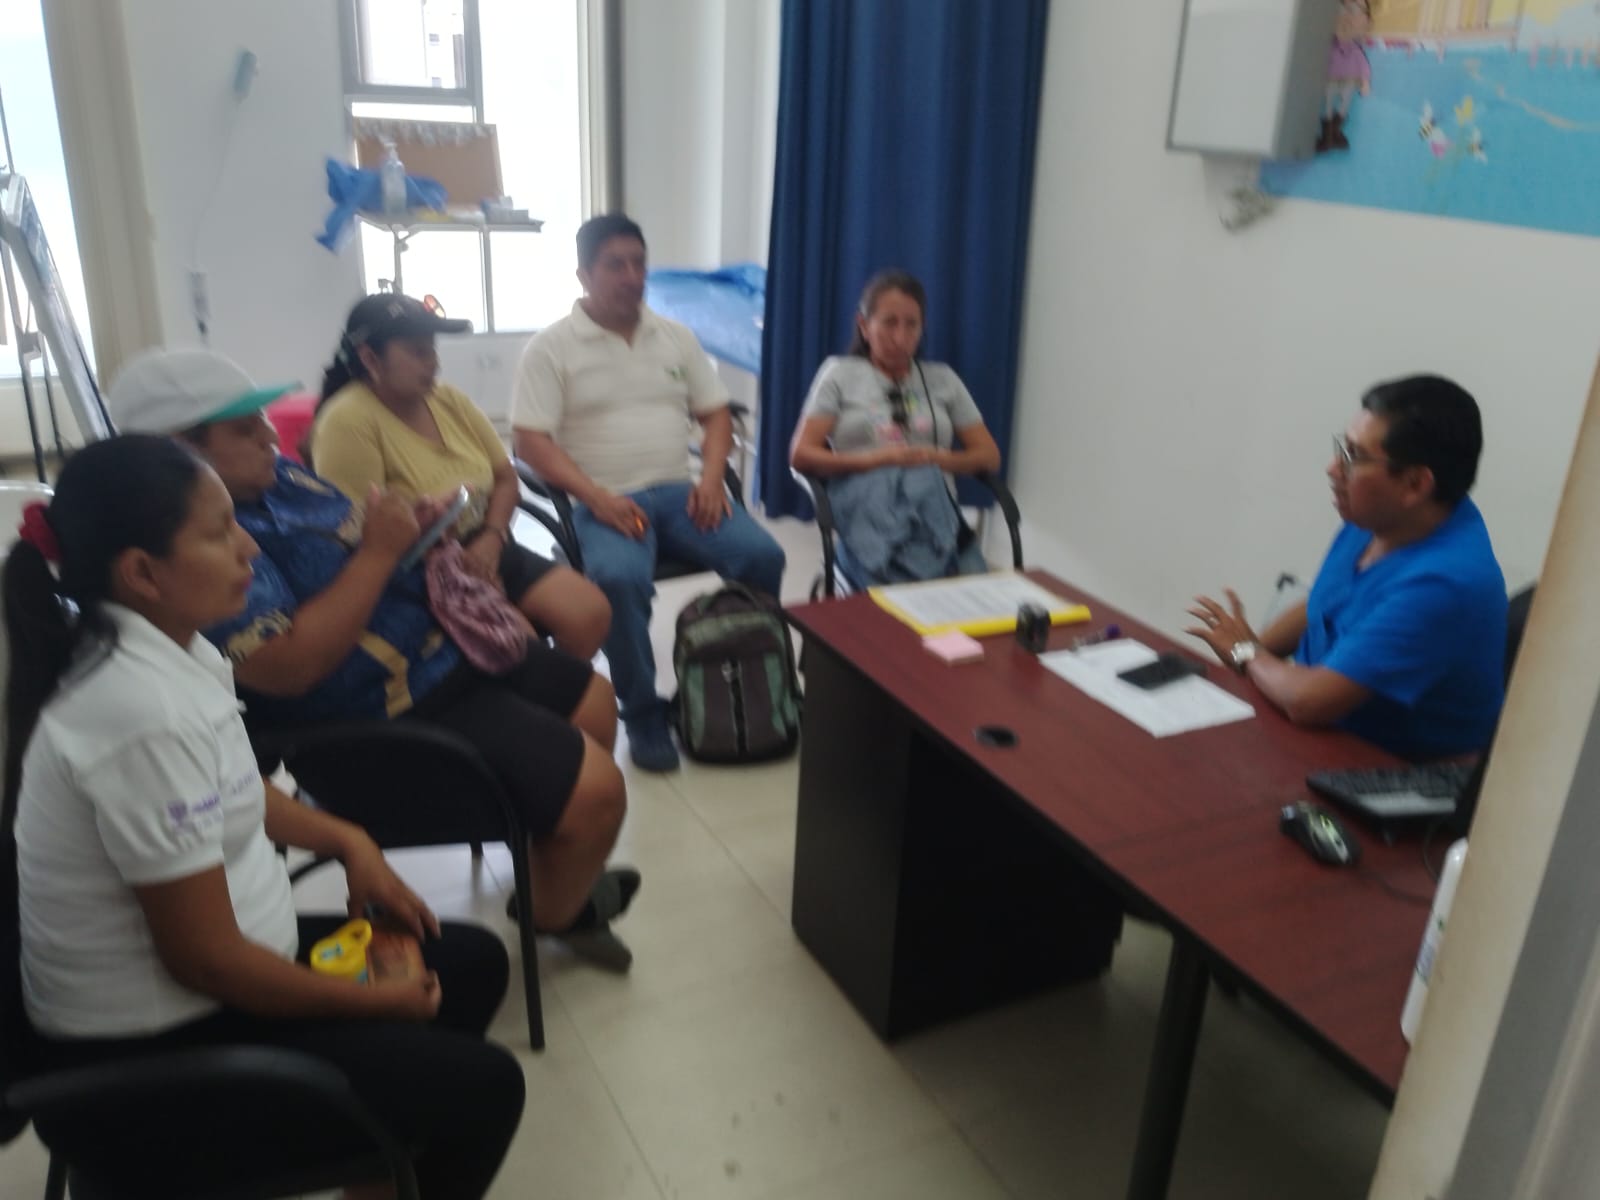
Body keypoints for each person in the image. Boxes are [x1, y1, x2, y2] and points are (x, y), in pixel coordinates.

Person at [6, 435, 525, 1197]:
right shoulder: (138, 714)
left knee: (469, 965)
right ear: (142, 572)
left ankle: (378, 1159)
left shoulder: (173, 649)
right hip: (158, 1059)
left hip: (210, 989)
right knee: (486, 1090)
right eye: (220, 532)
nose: (249, 546)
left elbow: (235, 788)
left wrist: (349, 840)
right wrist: (366, 1001)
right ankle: (377, 1140)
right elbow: (206, 961)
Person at [107, 348, 639, 968]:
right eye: (245, 430)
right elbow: (287, 665)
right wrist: (382, 553)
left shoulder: (283, 480)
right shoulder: (202, 544)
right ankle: (555, 912)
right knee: (599, 793)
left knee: (595, 700)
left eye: (264, 420)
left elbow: (357, 540)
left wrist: (413, 529)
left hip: (438, 653)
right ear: (179, 450)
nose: (271, 436)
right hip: (380, 711)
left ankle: (551, 853)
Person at [512, 213, 787, 772]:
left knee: (763, 555)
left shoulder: (675, 337)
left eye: (639, 263)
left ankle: (752, 674)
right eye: (616, 265)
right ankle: (641, 712)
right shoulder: (551, 348)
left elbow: (716, 416)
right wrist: (595, 497)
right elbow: (529, 442)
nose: (632, 276)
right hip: (606, 502)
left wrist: (711, 479)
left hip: (681, 493)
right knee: (617, 579)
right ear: (584, 275)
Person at [1186, 375, 1507, 761]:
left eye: (1353, 457)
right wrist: (1252, 657)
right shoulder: (1382, 517)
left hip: (1390, 771)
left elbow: (1308, 702)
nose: (1333, 468)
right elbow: (1324, 604)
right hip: (1316, 733)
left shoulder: (1446, 583)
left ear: (1414, 484)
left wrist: (1246, 652)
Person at [312, 293, 611, 661]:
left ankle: (557, 686)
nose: (433, 363)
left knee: (591, 613)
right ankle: (548, 687)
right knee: (523, 650)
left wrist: (492, 538)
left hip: (488, 544)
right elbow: (358, 541)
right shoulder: (347, 422)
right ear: (370, 359)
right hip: (422, 577)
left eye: (432, 349)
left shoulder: (447, 400)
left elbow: (505, 477)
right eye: (418, 352)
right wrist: (460, 567)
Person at [790, 269, 1003, 585]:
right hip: (868, 512)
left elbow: (988, 456)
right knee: (895, 603)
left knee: (978, 593)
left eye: (911, 324)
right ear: (864, 326)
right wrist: (876, 459)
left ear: (922, 327)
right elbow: (801, 455)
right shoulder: (839, 375)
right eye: (889, 323)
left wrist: (937, 458)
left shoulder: (943, 379)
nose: (901, 337)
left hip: (938, 518)